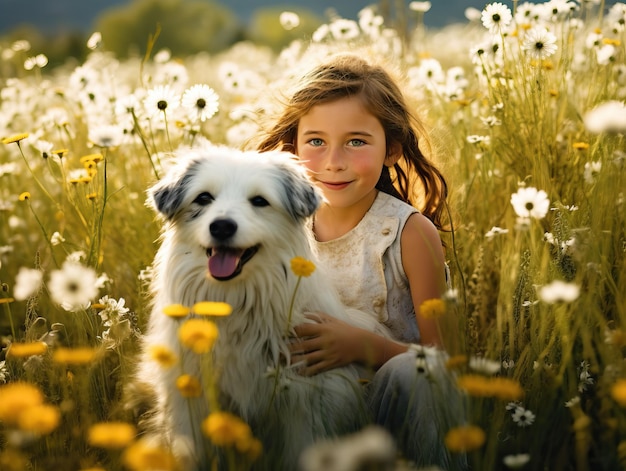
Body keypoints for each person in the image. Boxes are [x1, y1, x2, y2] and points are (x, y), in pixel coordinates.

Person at [256, 53, 466, 469]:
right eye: (315, 141)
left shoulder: (408, 233)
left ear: (392, 149)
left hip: (397, 414)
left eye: (356, 141)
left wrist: (363, 346)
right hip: (309, 414)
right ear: (291, 146)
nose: (333, 161)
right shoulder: (279, 230)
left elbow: (446, 363)